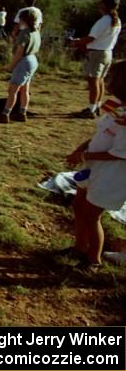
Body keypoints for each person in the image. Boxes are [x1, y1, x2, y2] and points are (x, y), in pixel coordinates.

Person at [64, 61, 126, 268]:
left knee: (92, 216)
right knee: (78, 205)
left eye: (111, 77)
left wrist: (84, 155)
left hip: (112, 175)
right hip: (92, 167)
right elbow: (100, 133)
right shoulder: (116, 106)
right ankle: (79, 247)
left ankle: (93, 261)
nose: (106, 81)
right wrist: (81, 149)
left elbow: (119, 154)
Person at [72, 0, 122, 119]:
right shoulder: (116, 20)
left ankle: (91, 110)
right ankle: (97, 106)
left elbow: (91, 38)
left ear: (104, 5)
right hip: (107, 52)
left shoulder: (104, 20)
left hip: (97, 53)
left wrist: (76, 42)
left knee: (93, 81)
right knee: (99, 81)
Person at [0, 10, 40, 123]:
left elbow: (19, 52)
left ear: (23, 19)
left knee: (12, 90)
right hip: (33, 60)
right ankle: (22, 112)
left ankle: (5, 114)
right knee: (25, 89)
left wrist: (11, 66)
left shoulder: (25, 33)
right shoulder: (36, 31)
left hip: (24, 61)